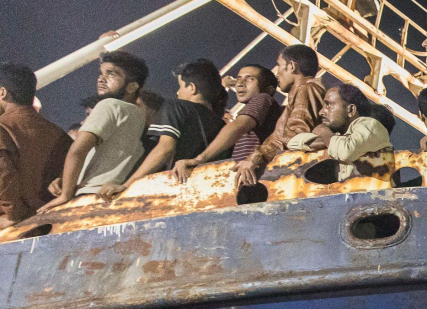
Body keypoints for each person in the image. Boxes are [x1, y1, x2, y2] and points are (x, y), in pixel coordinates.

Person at [39, 50, 150, 211]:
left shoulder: (109, 105)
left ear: (132, 86)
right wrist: (66, 179)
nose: (101, 78)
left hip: (88, 197)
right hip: (113, 197)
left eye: (111, 74)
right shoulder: (138, 115)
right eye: (101, 73)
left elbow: (78, 150)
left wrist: (66, 195)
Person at [99, 59, 225, 199]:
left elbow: (165, 149)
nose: (177, 92)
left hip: (177, 191)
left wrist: (126, 185)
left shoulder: (176, 107)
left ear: (192, 88)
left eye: (180, 86)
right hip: (214, 191)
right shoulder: (224, 126)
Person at [173, 64, 280, 183]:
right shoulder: (262, 111)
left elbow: (238, 126)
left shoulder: (263, 98)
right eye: (239, 78)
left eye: (250, 79)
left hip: (254, 178)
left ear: (269, 90)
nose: (240, 83)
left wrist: (199, 159)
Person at [237, 44, 325, 186]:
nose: (277, 73)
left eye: (279, 65)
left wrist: (256, 157)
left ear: (291, 66)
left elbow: (295, 134)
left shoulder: (306, 89)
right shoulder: (303, 91)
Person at [0, 63, 71, 226]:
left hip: (9, 223)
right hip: (48, 220)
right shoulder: (60, 135)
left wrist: (13, 215)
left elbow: (4, 176)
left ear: (3, 93)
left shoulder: (3, 127)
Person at [286, 83, 393, 181]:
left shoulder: (371, 125)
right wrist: (334, 138)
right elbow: (293, 143)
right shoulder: (340, 136)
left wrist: (323, 132)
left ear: (351, 110)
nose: (321, 112)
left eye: (329, 105)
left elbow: (346, 151)